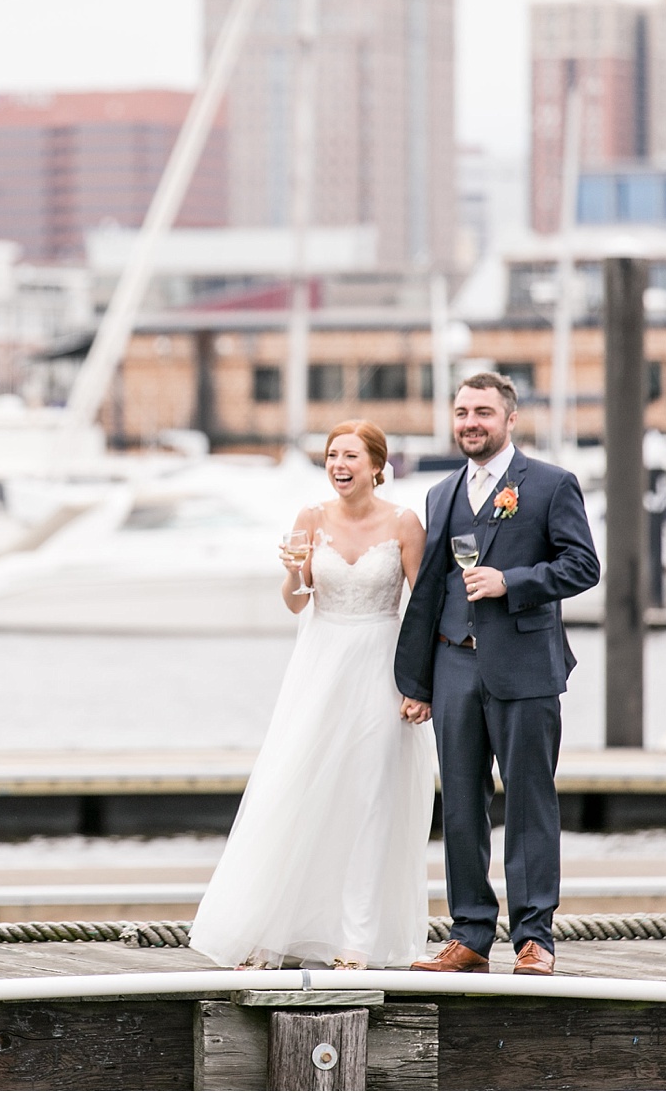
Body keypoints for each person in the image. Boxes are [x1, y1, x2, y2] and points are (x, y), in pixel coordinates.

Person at [190, 420, 435, 971]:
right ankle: (271, 930)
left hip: (379, 665)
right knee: (299, 786)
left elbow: (422, 610)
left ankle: (357, 942)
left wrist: (422, 686)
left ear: (377, 464)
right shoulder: (310, 518)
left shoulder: (404, 523)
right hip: (320, 667)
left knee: (370, 799)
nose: (338, 465)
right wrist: (290, 574)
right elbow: (297, 602)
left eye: (350, 455)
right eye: (331, 455)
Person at [394, 373, 599, 976]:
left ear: (510, 419)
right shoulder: (440, 494)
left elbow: (583, 565)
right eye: (461, 412)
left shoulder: (551, 485)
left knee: (530, 798)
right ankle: (470, 934)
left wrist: (513, 582)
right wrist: (418, 682)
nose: (470, 422)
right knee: (459, 802)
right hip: (454, 663)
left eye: (482, 411)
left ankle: (535, 937)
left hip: (526, 666)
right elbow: (430, 591)